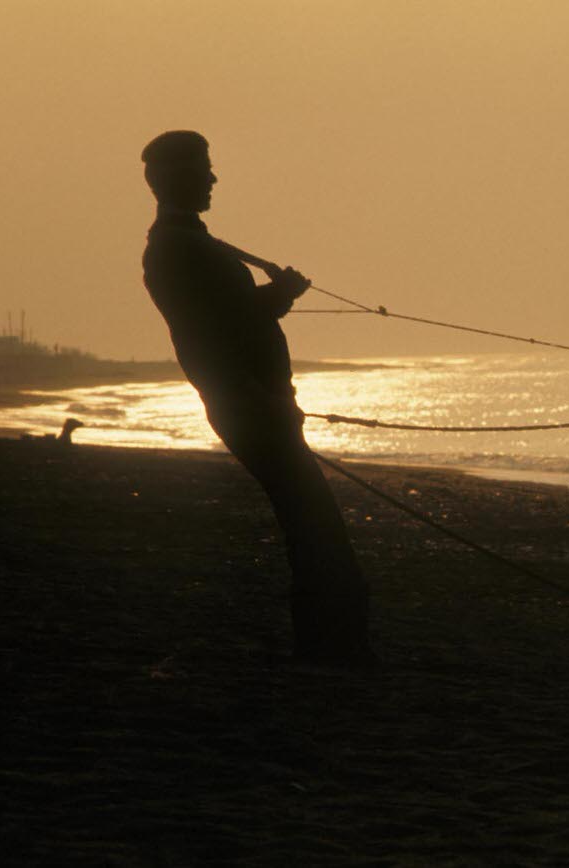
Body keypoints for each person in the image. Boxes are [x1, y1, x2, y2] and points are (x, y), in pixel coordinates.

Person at [140, 130, 376, 667]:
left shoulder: (190, 244)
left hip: (259, 403)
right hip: (250, 407)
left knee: (311, 521)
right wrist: (254, 394)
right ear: (171, 178)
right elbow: (204, 335)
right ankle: (331, 647)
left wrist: (278, 297)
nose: (213, 177)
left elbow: (236, 318)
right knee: (314, 521)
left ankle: (332, 644)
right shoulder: (174, 250)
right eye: (202, 167)